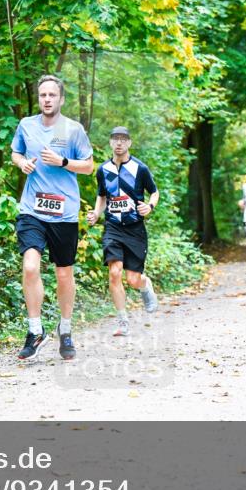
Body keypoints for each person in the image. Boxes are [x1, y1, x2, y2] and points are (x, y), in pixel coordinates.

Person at [11, 75, 94, 360]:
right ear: (39, 98)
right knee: (31, 267)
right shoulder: (26, 125)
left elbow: (89, 167)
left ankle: (66, 330)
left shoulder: (73, 130)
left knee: (63, 273)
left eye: (52, 95)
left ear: (61, 99)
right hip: (32, 209)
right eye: (43, 95)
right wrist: (22, 163)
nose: (47, 99)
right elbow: (15, 152)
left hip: (64, 212)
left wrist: (64, 162)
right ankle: (35, 331)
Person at [86, 126, 160, 337]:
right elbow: (102, 196)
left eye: (123, 139)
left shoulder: (140, 168)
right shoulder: (103, 170)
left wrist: (149, 207)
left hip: (135, 229)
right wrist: (96, 213)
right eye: (115, 139)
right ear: (110, 142)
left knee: (133, 279)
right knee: (114, 272)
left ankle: (145, 286)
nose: (119, 143)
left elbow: (154, 192)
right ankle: (123, 321)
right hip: (113, 228)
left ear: (129, 143)